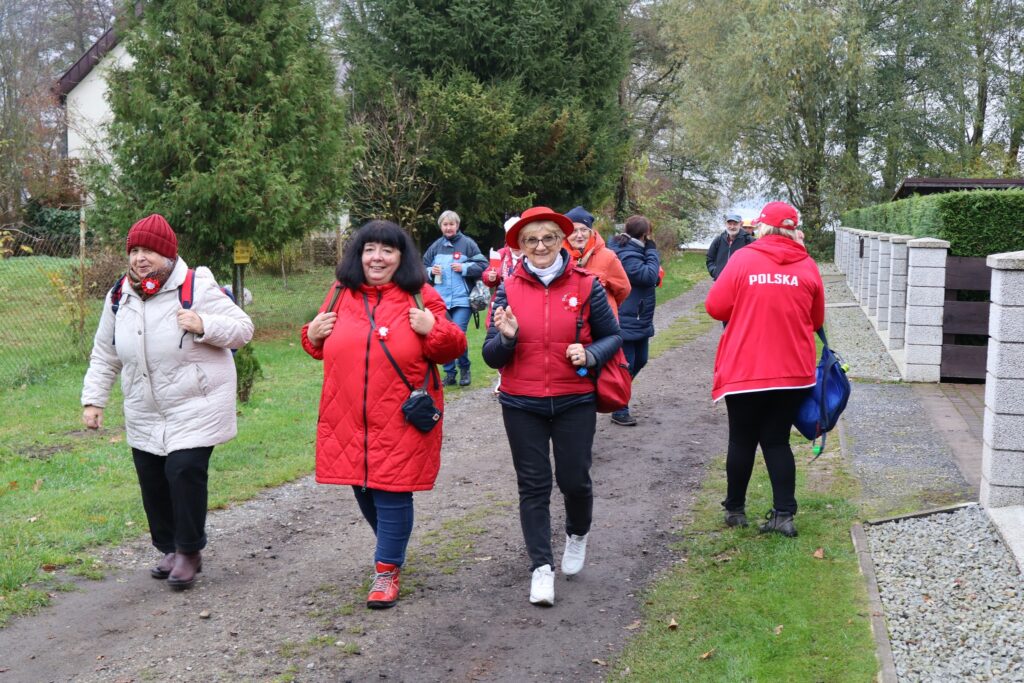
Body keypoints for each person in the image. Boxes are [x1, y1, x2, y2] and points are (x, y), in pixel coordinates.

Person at [81, 214, 254, 589]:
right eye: (135, 250)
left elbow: (243, 329)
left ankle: (189, 550)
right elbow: (104, 352)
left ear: (168, 254)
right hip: (145, 407)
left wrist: (204, 324)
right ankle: (169, 547)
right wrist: (94, 400)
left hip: (196, 403)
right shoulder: (119, 295)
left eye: (150, 251)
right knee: (152, 478)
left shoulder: (197, 286)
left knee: (183, 471)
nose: (141, 258)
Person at [302, 220, 466, 609]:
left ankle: (387, 569)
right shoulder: (341, 293)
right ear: (358, 255)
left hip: (400, 416)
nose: (377, 257)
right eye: (369, 249)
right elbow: (319, 345)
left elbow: (452, 348)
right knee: (362, 488)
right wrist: (311, 335)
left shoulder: (420, 295)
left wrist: (433, 330)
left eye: (387, 250)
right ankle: (393, 548)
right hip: (348, 415)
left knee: (392, 492)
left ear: (401, 256)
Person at [483, 206, 622, 606]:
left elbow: (614, 336)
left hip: (573, 399)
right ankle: (540, 569)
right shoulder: (508, 288)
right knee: (533, 485)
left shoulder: (587, 285)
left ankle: (577, 533)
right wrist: (506, 339)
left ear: (562, 241)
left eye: (548, 238)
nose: (540, 246)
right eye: (531, 240)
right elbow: (491, 355)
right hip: (521, 402)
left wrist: (591, 354)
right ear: (521, 247)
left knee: (575, 479)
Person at [704, 201, 825, 538]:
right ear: (791, 229)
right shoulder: (808, 265)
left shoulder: (743, 259)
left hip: (746, 368)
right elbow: (816, 320)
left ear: (763, 228)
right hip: (793, 370)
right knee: (776, 441)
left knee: (741, 439)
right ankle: (783, 515)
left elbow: (715, 306)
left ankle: (735, 510)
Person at [422, 210, 487, 387]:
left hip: (462, 300)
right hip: (440, 301)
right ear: (441, 227)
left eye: (452, 224)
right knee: (443, 337)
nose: (448, 227)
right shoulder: (435, 246)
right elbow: (422, 268)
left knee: (458, 334)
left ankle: (465, 369)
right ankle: (449, 374)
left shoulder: (468, 244)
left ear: (457, 225)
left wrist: (464, 267)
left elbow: (483, 265)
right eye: (445, 224)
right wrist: (430, 272)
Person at [608, 215, 661, 427]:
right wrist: (652, 251)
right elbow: (648, 276)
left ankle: (615, 396)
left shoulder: (634, 250)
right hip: (627, 317)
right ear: (645, 234)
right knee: (626, 365)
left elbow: (651, 276)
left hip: (639, 318)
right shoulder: (626, 253)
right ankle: (619, 409)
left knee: (641, 360)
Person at [563, 206, 631, 316]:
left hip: (603, 322)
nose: (579, 235)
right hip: (572, 323)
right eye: (574, 231)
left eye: (584, 230)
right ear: (566, 235)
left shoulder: (607, 256)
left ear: (591, 232)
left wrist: (609, 304)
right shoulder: (560, 258)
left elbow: (624, 289)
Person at [705, 213, 754, 280]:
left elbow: (755, 261)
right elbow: (710, 258)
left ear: (741, 224)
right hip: (721, 280)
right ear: (726, 224)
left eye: (735, 224)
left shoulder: (749, 240)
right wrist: (715, 272)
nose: (732, 227)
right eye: (730, 224)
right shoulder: (719, 239)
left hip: (741, 281)